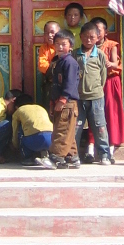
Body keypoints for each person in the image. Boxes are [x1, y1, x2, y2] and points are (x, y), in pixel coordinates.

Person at [85, 16, 124, 164]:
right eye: (93, 31)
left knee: (111, 113)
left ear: (105, 32)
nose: (96, 34)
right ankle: (91, 149)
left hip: (110, 82)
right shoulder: (88, 48)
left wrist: (109, 63)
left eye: (99, 30)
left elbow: (115, 63)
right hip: (95, 83)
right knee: (94, 115)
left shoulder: (111, 45)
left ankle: (110, 150)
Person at [74, 21, 111, 166]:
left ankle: (104, 155)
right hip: (78, 97)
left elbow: (103, 75)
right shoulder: (75, 54)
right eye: (85, 37)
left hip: (96, 97)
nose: (88, 40)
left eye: (92, 37)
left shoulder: (100, 55)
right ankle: (74, 155)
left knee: (99, 126)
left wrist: (97, 89)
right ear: (80, 37)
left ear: (97, 38)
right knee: (76, 127)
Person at [47, 29, 80, 168]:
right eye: (57, 43)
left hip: (67, 103)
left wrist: (63, 99)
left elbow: (70, 84)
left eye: (63, 44)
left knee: (62, 130)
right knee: (67, 130)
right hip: (59, 101)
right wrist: (53, 101)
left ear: (70, 46)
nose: (60, 47)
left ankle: (56, 158)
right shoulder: (58, 62)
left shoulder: (70, 62)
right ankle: (72, 157)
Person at [10, 94, 55, 168]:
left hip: (34, 141)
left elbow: (15, 130)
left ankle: (27, 158)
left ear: (16, 106)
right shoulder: (40, 108)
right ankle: (44, 153)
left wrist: (14, 145)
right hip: (52, 140)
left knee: (21, 128)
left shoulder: (19, 110)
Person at [37, 20, 60, 103]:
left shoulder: (63, 47)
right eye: (47, 33)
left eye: (52, 32)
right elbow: (42, 66)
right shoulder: (44, 48)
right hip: (49, 82)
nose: (50, 35)